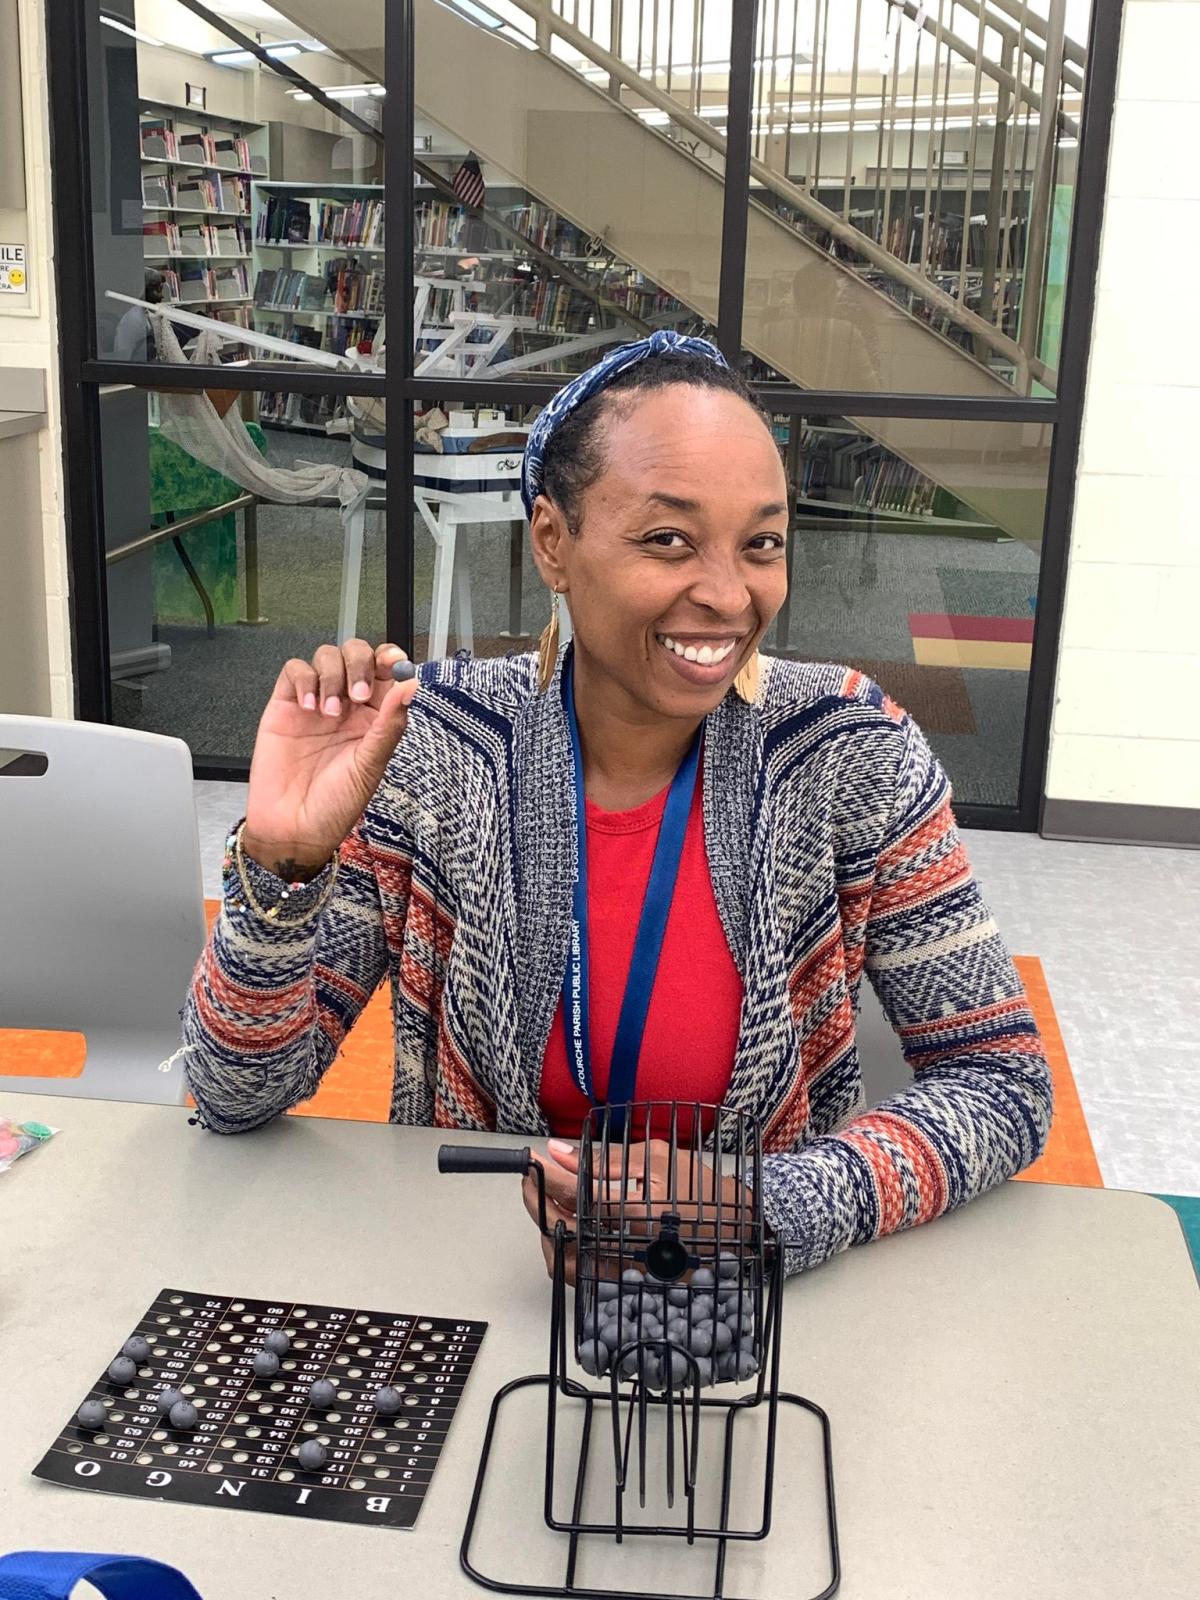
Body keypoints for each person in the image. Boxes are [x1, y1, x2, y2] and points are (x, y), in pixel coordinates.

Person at [180, 330, 1051, 1280]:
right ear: (553, 541)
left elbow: (1003, 1083)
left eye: (761, 543)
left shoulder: (849, 751)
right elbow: (234, 1094)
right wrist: (283, 860)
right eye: (668, 538)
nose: (727, 594)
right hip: (480, 1282)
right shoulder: (428, 748)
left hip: (753, 1310)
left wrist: (771, 1205)